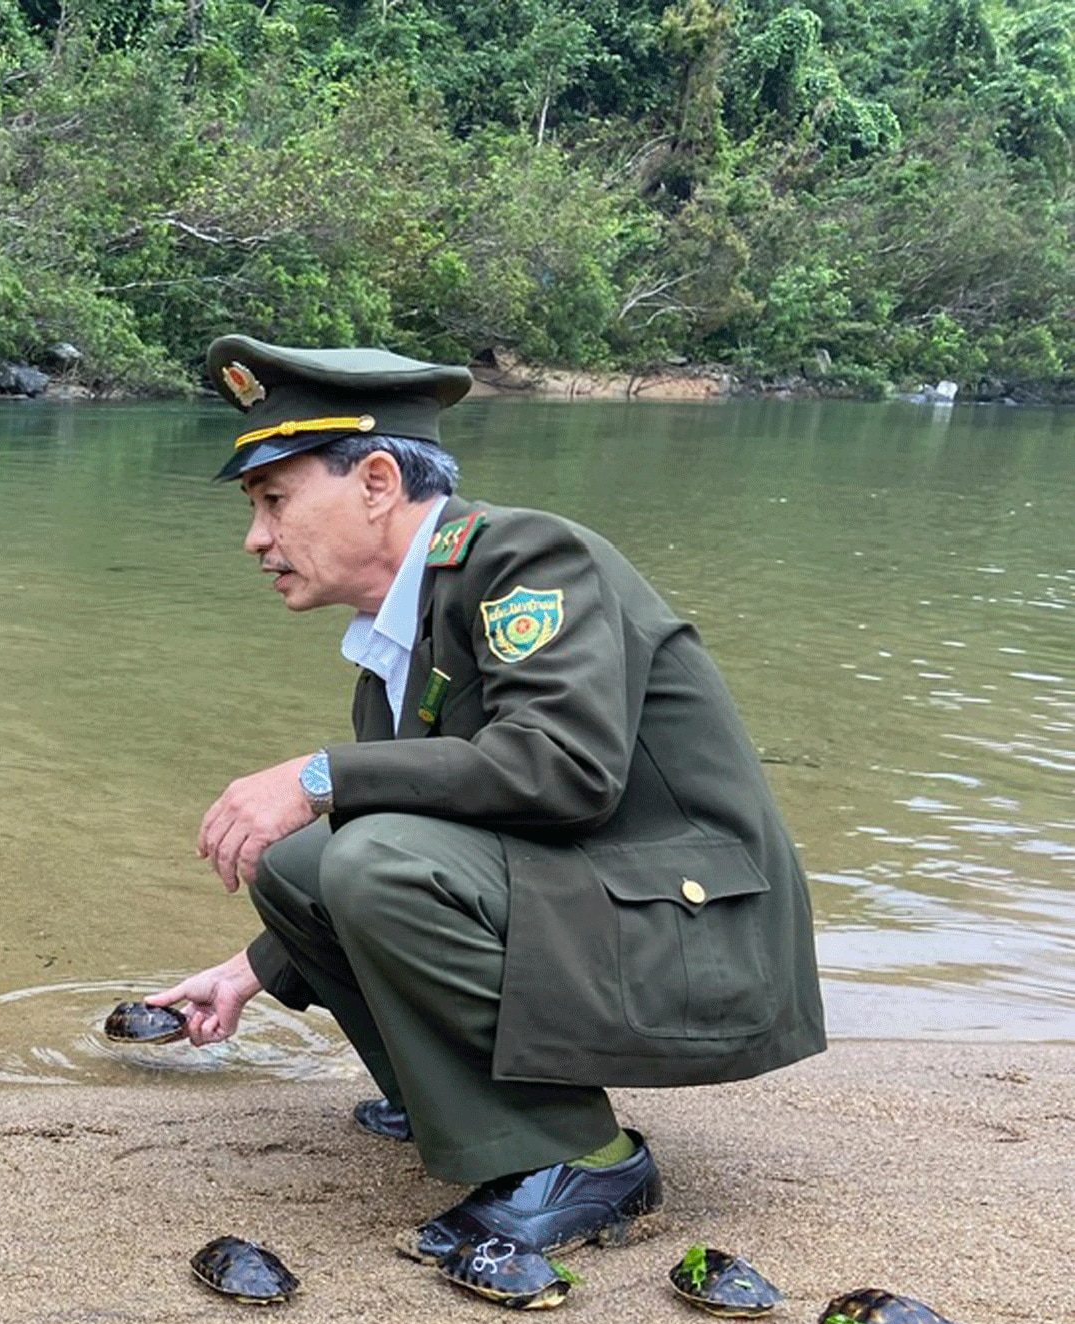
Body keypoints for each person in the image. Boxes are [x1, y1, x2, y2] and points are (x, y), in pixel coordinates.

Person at [147, 334, 825, 1261]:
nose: (256, 537)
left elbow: (562, 770)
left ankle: (584, 1156)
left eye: (273, 500)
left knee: (362, 848)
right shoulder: (406, 625)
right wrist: (253, 969)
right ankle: (454, 1104)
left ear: (378, 482)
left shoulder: (528, 560)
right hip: (614, 917)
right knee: (303, 862)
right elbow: (427, 824)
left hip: (703, 944)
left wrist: (320, 775)